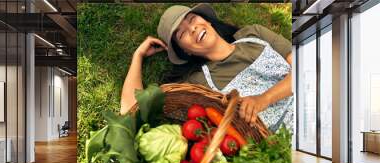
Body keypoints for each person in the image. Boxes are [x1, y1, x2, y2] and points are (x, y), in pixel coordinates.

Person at [120, 3, 293, 132]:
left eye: (192, 19)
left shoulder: (253, 34)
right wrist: (138, 57)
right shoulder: (198, 83)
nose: (193, 28)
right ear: (185, 51)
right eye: (182, 33)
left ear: (208, 21)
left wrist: (264, 99)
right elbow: (132, 109)